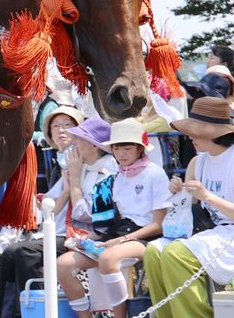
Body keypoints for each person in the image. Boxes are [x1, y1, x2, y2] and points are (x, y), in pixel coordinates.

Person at [143, 97, 234, 318]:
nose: (190, 136)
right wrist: (178, 190)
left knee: (176, 253)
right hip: (208, 231)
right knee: (153, 251)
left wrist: (208, 196)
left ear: (215, 133)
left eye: (196, 132)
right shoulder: (197, 162)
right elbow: (191, 205)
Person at [0, 111, 112, 318]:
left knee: (26, 252)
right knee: (9, 255)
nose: (74, 141)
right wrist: (67, 189)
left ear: (94, 145)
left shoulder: (107, 170)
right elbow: (47, 211)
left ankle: (36, 312)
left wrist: (74, 182)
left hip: (87, 234)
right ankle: (8, 313)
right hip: (61, 231)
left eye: (80, 138)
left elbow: (86, 215)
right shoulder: (76, 165)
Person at [57, 119, 168, 318]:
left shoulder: (155, 174)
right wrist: (88, 239)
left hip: (146, 237)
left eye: (128, 148)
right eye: (117, 148)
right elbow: (103, 223)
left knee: (108, 258)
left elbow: (159, 225)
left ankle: (120, 316)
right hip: (117, 234)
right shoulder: (112, 178)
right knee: (63, 265)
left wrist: (121, 240)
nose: (122, 153)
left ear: (140, 149)